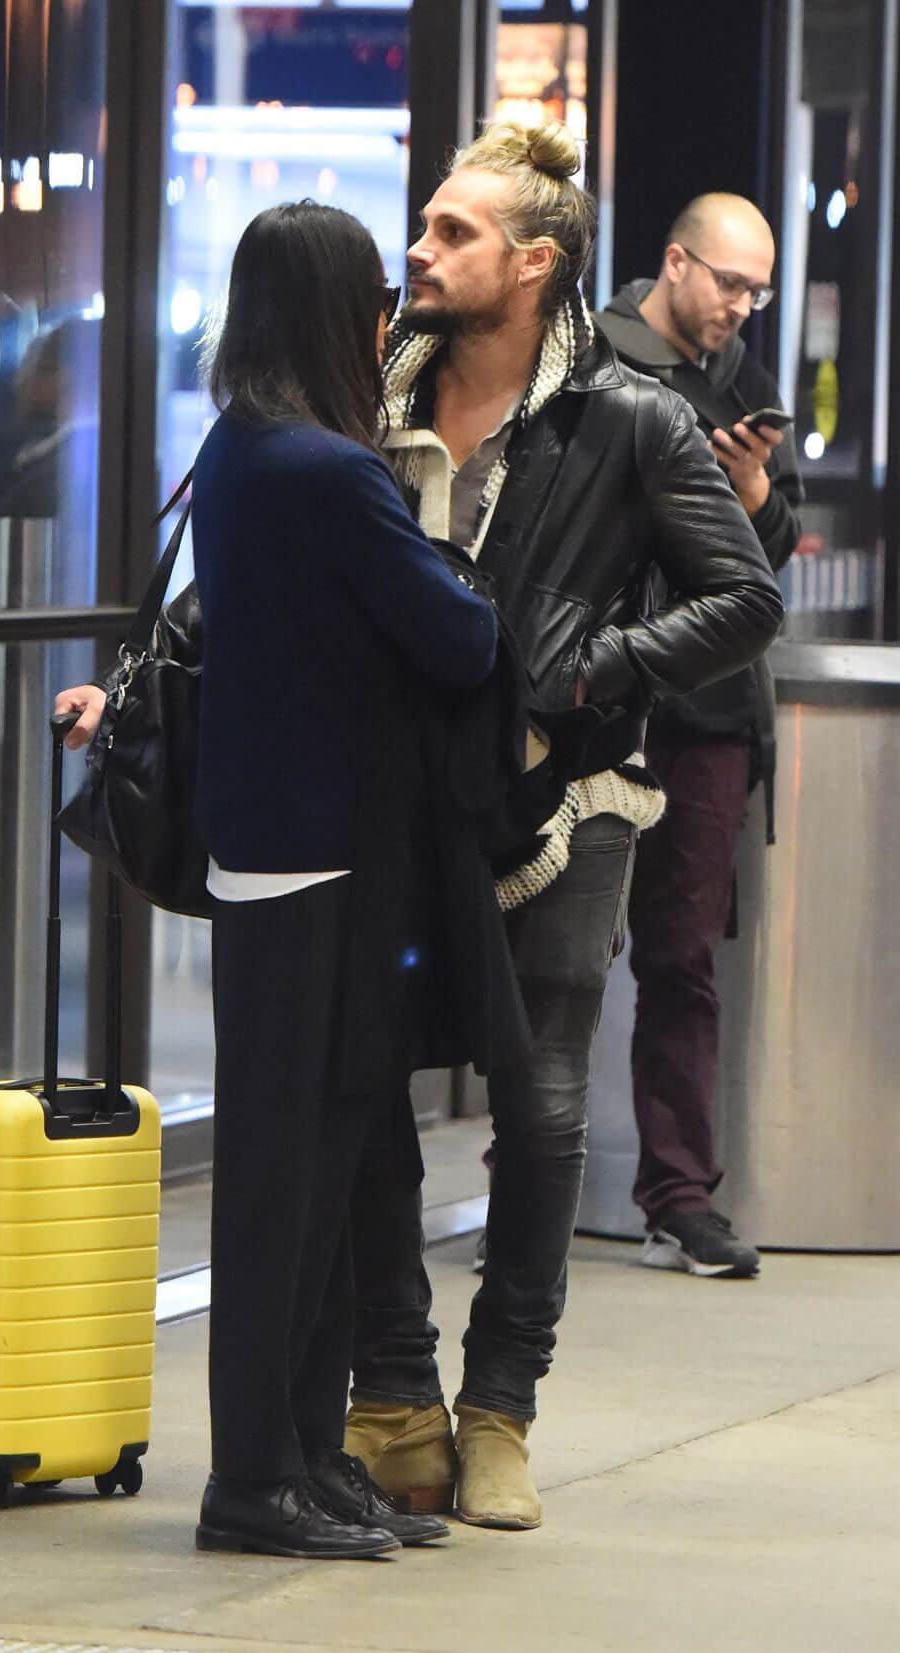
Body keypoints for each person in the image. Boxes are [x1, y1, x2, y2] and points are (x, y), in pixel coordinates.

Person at [56, 200, 533, 1559]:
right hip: (310, 858)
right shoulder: (323, 470)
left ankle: (311, 1456)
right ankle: (253, 1479)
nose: (390, 318)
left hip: (286, 848)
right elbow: (455, 636)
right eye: (375, 297)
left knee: (322, 1161)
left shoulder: (243, 449)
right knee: (284, 1176)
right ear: (341, 314)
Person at [343, 123, 784, 1531]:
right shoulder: (370, 397)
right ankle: (397, 1396)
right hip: (400, 792)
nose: (421, 250)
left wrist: (594, 668)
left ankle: (501, 1409)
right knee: (368, 1092)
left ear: (533, 265)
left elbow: (747, 597)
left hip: (571, 796)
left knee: (537, 1110)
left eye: (453, 233)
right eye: (425, 225)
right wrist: (127, 687)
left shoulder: (628, 418)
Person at [595, 195, 803, 1280]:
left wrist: (754, 489)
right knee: (555, 957)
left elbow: (777, 537)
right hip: (598, 698)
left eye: (756, 289)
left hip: (711, 710)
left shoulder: (746, 384)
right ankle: (524, 1182)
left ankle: (680, 1195)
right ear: (673, 262)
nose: (739, 305)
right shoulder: (596, 359)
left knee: (683, 959)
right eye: (728, 282)